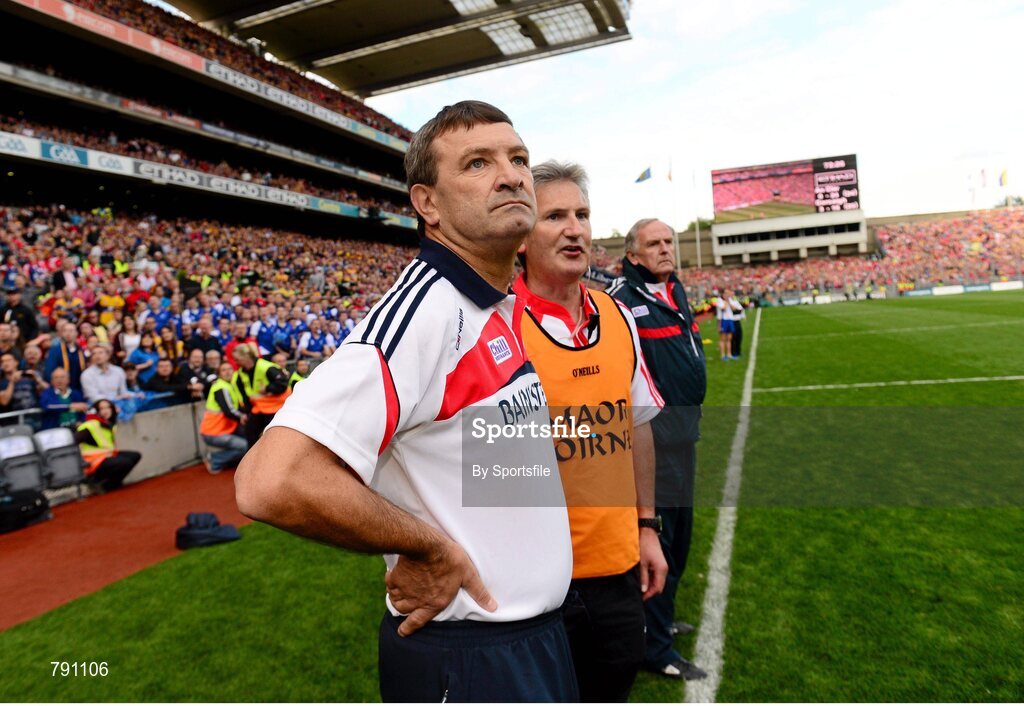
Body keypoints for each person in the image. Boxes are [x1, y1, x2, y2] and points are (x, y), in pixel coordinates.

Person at [235, 101, 576, 702]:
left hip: (530, 641)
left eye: (517, 158)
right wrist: (427, 544)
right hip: (472, 660)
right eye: (477, 163)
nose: (512, 174)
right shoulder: (423, 310)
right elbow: (271, 480)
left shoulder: (490, 304)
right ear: (428, 204)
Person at [514, 161, 668, 701]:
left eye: (581, 214)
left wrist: (647, 525)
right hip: (533, 581)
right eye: (554, 215)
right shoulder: (494, 325)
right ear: (521, 233)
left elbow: (639, 423)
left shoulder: (618, 315)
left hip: (617, 566)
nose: (574, 228)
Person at [608, 219, 709, 681]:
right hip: (654, 443)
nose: (666, 250)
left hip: (685, 437)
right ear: (633, 256)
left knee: (681, 538)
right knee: (658, 540)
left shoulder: (676, 290)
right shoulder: (623, 303)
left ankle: (664, 620)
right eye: (655, 244)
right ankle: (655, 647)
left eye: (669, 242)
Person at [75, 398, 141, 492]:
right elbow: (73, 442)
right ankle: (100, 484)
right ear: (96, 411)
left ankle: (111, 484)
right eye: (101, 408)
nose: (105, 411)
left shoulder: (108, 424)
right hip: (92, 464)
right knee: (125, 462)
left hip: (106, 458)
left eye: (108, 407)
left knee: (134, 456)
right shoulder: (90, 425)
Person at [230, 345, 289, 447]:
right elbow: (244, 397)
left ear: (246, 356)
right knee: (250, 432)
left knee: (276, 437)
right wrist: (245, 413)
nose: (236, 362)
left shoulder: (266, 367)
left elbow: (282, 383)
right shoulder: (240, 374)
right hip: (259, 408)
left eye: (237, 359)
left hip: (276, 408)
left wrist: (267, 389)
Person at [199, 361, 248, 473]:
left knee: (248, 438)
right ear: (219, 374)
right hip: (214, 432)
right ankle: (215, 459)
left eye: (229, 369)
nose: (227, 372)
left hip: (223, 429)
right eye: (224, 370)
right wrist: (243, 417)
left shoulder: (229, 385)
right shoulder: (221, 387)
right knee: (245, 446)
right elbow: (229, 411)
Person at [0, 351, 44, 425]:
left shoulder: (29, 377)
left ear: (16, 362)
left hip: (35, 418)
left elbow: (48, 392)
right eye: (2, 361)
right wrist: (12, 382)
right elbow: (4, 401)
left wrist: (38, 380)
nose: (5, 363)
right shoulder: (1, 383)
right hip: (14, 423)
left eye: (8, 360)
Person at [44, 321, 87, 390]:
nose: (68, 333)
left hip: (78, 389)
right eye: (65, 331)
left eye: (71, 331)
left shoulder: (80, 351)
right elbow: (49, 371)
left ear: (76, 333)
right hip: (59, 389)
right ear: (61, 334)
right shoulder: (55, 350)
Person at [715, 289, 736, 361]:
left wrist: (729, 301)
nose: (728, 295)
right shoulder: (719, 300)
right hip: (723, 320)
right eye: (726, 293)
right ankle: (722, 355)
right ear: (723, 294)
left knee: (729, 338)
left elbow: (734, 309)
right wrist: (727, 301)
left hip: (730, 319)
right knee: (722, 338)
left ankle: (729, 354)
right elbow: (723, 308)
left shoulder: (730, 300)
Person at [728, 290, 746, 358]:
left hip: (737, 320)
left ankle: (738, 351)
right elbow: (735, 310)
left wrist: (737, 310)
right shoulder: (729, 301)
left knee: (739, 336)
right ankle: (733, 352)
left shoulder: (735, 301)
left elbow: (740, 309)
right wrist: (737, 310)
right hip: (732, 320)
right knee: (733, 337)